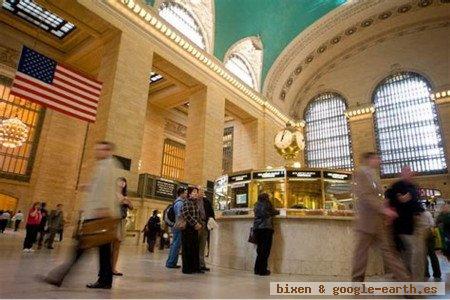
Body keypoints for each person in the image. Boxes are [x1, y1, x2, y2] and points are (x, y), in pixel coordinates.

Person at [43, 141, 121, 289]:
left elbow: (108, 188)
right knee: (103, 250)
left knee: (82, 246)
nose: (96, 152)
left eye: (100, 150)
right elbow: (101, 187)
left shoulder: (108, 165)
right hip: (99, 213)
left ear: (107, 150)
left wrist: (103, 207)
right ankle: (105, 280)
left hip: (100, 215)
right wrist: (88, 187)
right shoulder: (104, 165)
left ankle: (59, 275)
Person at [351, 152, 410, 282]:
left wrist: (385, 207)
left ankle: (405, 282)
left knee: (389, 252)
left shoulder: (374, 175)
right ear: (369, 159)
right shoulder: (360, 173)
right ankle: (357, 281)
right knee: (361, 253)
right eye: (376, 158)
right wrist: (384, 209)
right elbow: (366, 196)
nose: (379, 161)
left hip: (378, 221)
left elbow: (378, 196)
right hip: (366, 221)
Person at [385, 165, 426, 280]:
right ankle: (407, 276)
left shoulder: (413, 186)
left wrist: (420, 214)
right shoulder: (397, 186)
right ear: (401, 173)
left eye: (410, 171)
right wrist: (400, 198)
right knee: (409, 252)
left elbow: (415, 202)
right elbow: (390, 198)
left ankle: (411, 277)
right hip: (401, 225)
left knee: (413, 252)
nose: (409, 173)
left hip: (414, 223)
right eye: (406, 171)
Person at [253, 193, 279, 276]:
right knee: (265, 250)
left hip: (257, 229)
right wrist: (277, 212)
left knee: (260, 250)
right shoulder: (267, 204)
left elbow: (260, 214)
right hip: (266, 228)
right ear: (266, 198)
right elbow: (272, 212)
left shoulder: (256, 205)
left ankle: (257, 269)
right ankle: (263, 270)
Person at [112, 177, 133, 276]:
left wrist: (128, 203)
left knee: (117, 246)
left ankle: (113, 268)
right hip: (112, 221)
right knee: (109, 245)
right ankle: (107, 267)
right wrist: (121, 202)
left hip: (121, 221)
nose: (122, 183)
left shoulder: (125, 196)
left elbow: (131, 207)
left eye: (124, 182)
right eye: (120, 181)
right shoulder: (112, 194)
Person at [181, 186, 202, 274]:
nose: (196, 193)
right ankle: (187, 268)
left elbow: (197, 215)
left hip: (194, 228)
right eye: (194, 192)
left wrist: (199, 223)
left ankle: (195, 267)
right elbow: (186, 214)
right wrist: (195, 223)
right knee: (187, 248)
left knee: (194, 247)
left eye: (196, 192)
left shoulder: (195, 203)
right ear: (189, 194)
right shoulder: (186, 202)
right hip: (188, 228)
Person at [165, 187, 187, 268]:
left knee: (174, 244)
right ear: (181, 193)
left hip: (175, 225)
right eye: (185, 193)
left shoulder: (176, 201)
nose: (186, 194)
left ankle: (171, 262)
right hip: (178, 225)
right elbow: (179, 215)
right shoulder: (180, 203)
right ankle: (171, 263)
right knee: (176, 244)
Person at [197, 186, 215, 271]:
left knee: (202, 245)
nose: (202, 192)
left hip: (205, 224)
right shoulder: (193, 201)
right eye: (200, 191)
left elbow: (211, 212)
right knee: (195, 245)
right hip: (196, 225)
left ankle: (202, 264)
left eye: (202, 191)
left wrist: (211, 222)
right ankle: (195, 264)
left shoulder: (206, 201)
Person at [423, 206, 441, 279]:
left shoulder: (415, 214)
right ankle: (437, 273)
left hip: (422, 236)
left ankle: (426, 273)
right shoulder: (427, 213)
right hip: (430, 234)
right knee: (432, 254)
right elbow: (432, 224)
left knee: (423, 255)